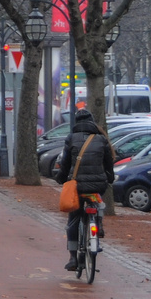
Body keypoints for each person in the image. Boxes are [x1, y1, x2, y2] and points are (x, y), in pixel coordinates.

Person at [52, 109, 115, 271]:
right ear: (92, 122)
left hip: (78, 185)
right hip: (98, 184)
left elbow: (65, 163)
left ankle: (73, 257)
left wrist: (60, 178)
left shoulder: (71, 138)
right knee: (97, 201)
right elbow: (109, 163)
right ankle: (98, 223)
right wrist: (109, 178)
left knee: (73, 218)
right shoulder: (101, 139)